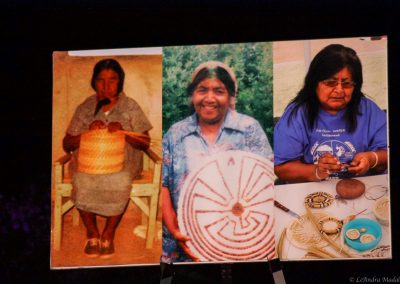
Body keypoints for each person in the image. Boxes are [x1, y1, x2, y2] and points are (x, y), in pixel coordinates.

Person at [161, 61, 273, 263]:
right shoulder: (175, 134)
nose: (209, 98)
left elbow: (265, 184)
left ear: (230, 96)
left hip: (240, 242)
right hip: (185, 242)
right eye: (202, 90)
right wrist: (175, 230)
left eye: (219, 91)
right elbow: (163, 187)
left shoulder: (248, 129)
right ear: (192, 95)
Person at [62, 58, 152, 258]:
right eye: (101, 80)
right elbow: (67, 144)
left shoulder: (130, 106)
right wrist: (87, 132)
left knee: (119, 180)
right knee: (81, 179)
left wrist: (125, 131)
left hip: (124, 166)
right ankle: (92, 233)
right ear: (94, 82)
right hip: (86, 166)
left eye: (112, 79)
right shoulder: (85, 107)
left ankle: (108, 233)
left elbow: (145, 142)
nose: (106, 85)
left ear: (120, 81)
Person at [274, 44, 387, 183]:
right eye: (330, 83)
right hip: (311, 191)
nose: (339, 90)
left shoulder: (368, 110)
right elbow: (281, 167)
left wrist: (371, 159)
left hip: (361, 187)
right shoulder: (297, 114)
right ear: (314, 83)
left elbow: (386, 152)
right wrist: (316, 171)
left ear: (355, 86)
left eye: (346, 84)